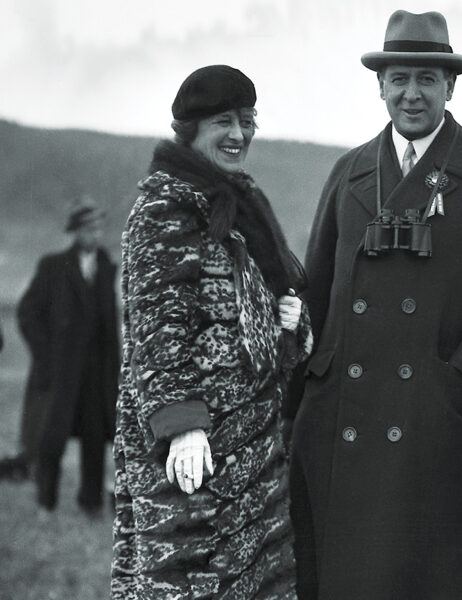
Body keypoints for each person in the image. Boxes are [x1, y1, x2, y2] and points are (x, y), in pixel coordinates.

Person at [288, 10, 462, 600]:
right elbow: (316, 294)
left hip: (436, 426)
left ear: (450, 87)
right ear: (380, 86)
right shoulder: (347, 171)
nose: (411, 93)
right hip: (340, 422)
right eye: (399, 78)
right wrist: (295, 401)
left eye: (426, 79)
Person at [112, 65, 312, 599]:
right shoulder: (165, 210)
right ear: (191, 128)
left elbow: (261, 296)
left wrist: (290, 323)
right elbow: (157, 329)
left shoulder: (241, 204)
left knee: (249, 581)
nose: (239, 135)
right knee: (184, 577)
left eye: (247, 121)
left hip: (249, 446)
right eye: (224, 121)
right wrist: (182, 425)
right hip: (187, 449)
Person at [14, 196, 119, 513]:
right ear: (75, 231)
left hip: (96, 374)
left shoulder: (105, 267)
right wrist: (44, 355)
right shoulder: (53, 266)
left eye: (99, 228)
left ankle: (91, 504)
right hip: (60, 372)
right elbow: (27, 313)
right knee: (50, 440)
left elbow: (109, 326)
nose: (95, 234)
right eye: (89, 228)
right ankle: (46, 502)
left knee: (94, 438)